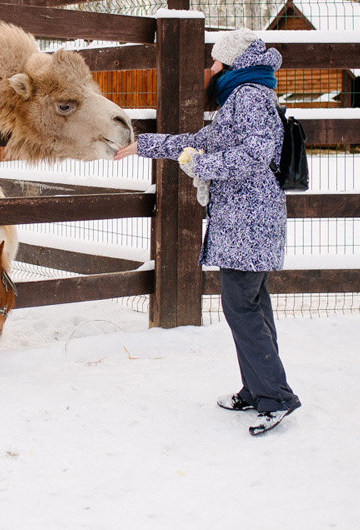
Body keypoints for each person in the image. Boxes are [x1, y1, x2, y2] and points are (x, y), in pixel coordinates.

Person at [114, 28, 301, 436]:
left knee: (242, 307)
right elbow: (198, 141)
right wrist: (143, 145)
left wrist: (202, 167)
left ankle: (276, 397)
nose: (211, 68)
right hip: (245, 221)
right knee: (251, 305)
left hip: (250, 221)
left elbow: (255, 155)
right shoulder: (243, 97)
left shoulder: (249, 97)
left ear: (232, 64)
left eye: (216, 61)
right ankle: (257, 389)